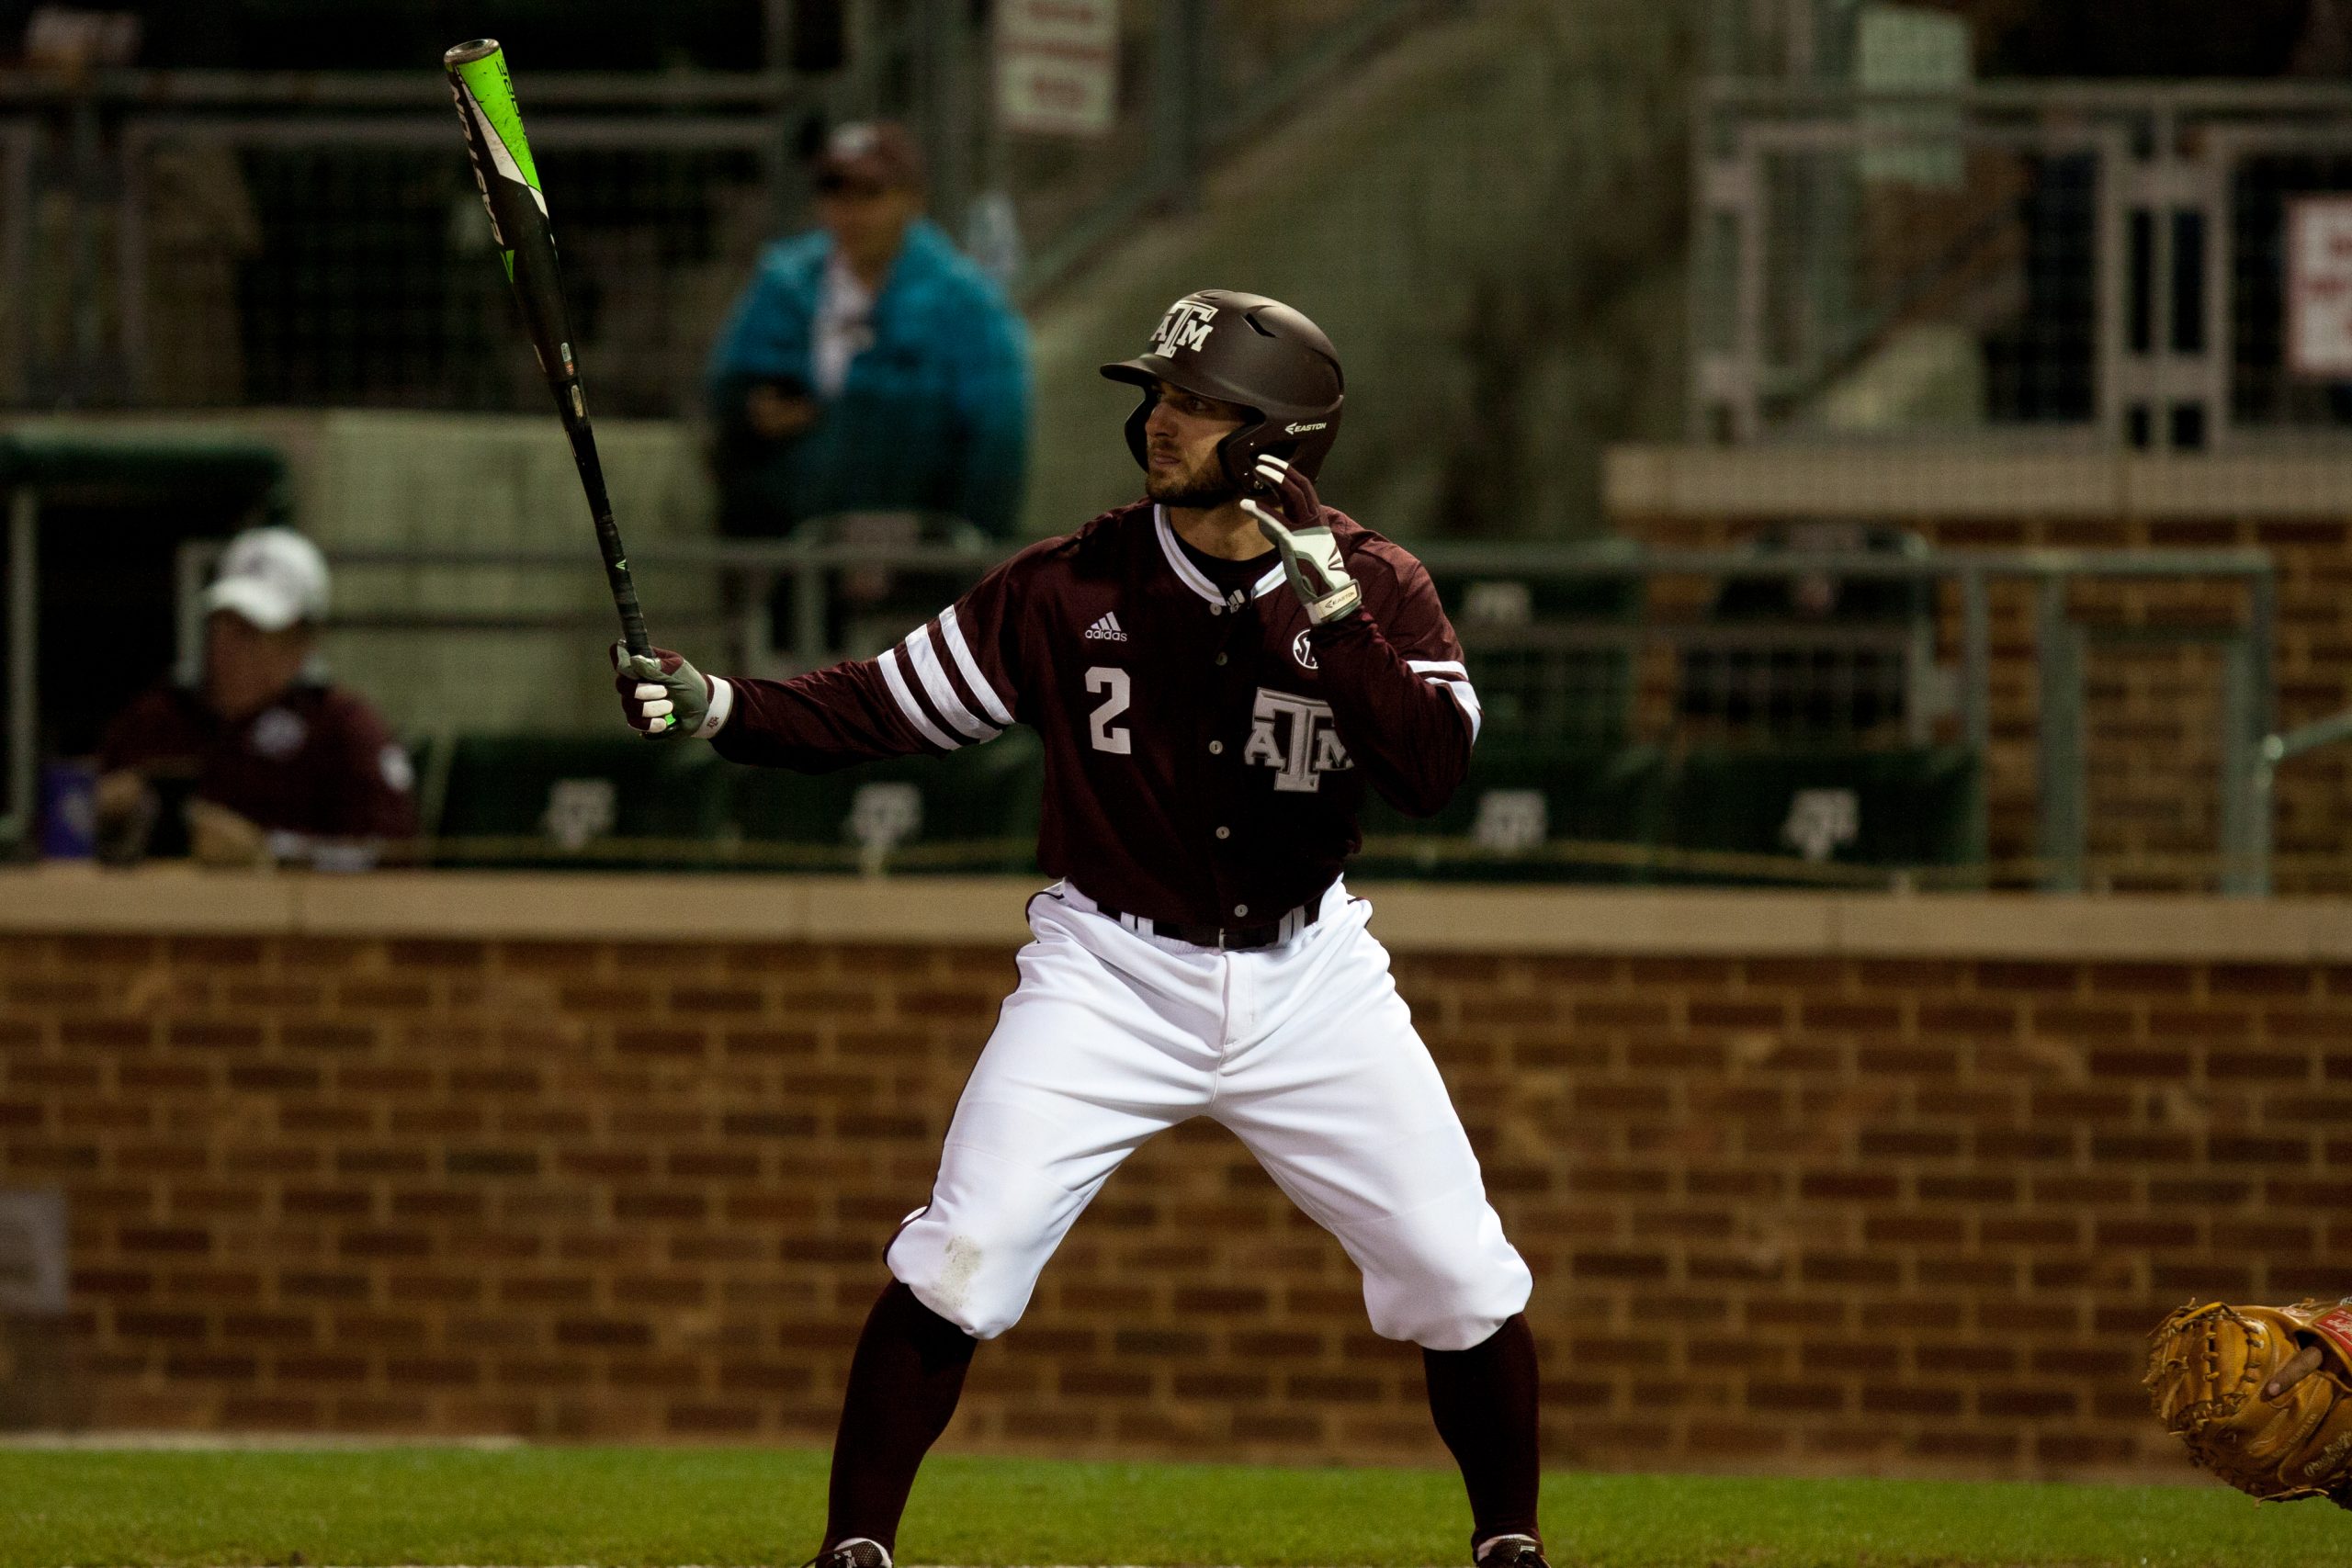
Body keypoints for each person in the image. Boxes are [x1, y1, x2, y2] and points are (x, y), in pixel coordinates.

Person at [616, 290, 1546, 1568]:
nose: (1157, 423)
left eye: (1195, 404)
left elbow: (1431, 767)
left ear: (1280, 438)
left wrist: (1335, 615)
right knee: (963, 1251)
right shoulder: (1072, 581)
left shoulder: (1380, 585)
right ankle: (851, 1551)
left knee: (1458, 1269)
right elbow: (887, 706)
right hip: (1108, 966)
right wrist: (720, 701)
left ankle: (1511, 1543)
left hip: (1311, 971)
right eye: (1156, 397)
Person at [706, 120, 1032, 543]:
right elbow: (730, 392)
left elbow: (997, 438)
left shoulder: (964, 302)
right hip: (796, 547)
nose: (850, 211)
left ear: (913, 200)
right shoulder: (786, 282)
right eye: (834, 191)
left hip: (921, 550)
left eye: (870, 194)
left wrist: (971, 551)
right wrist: (754, 414)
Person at [96, 526, 417, 869]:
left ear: (301, 642)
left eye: (251, 631)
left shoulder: (343, 729)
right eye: (223, 624)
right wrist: (104, 815)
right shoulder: (156, 720)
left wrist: (269, 854)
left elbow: (394, 855)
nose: (228, 647)